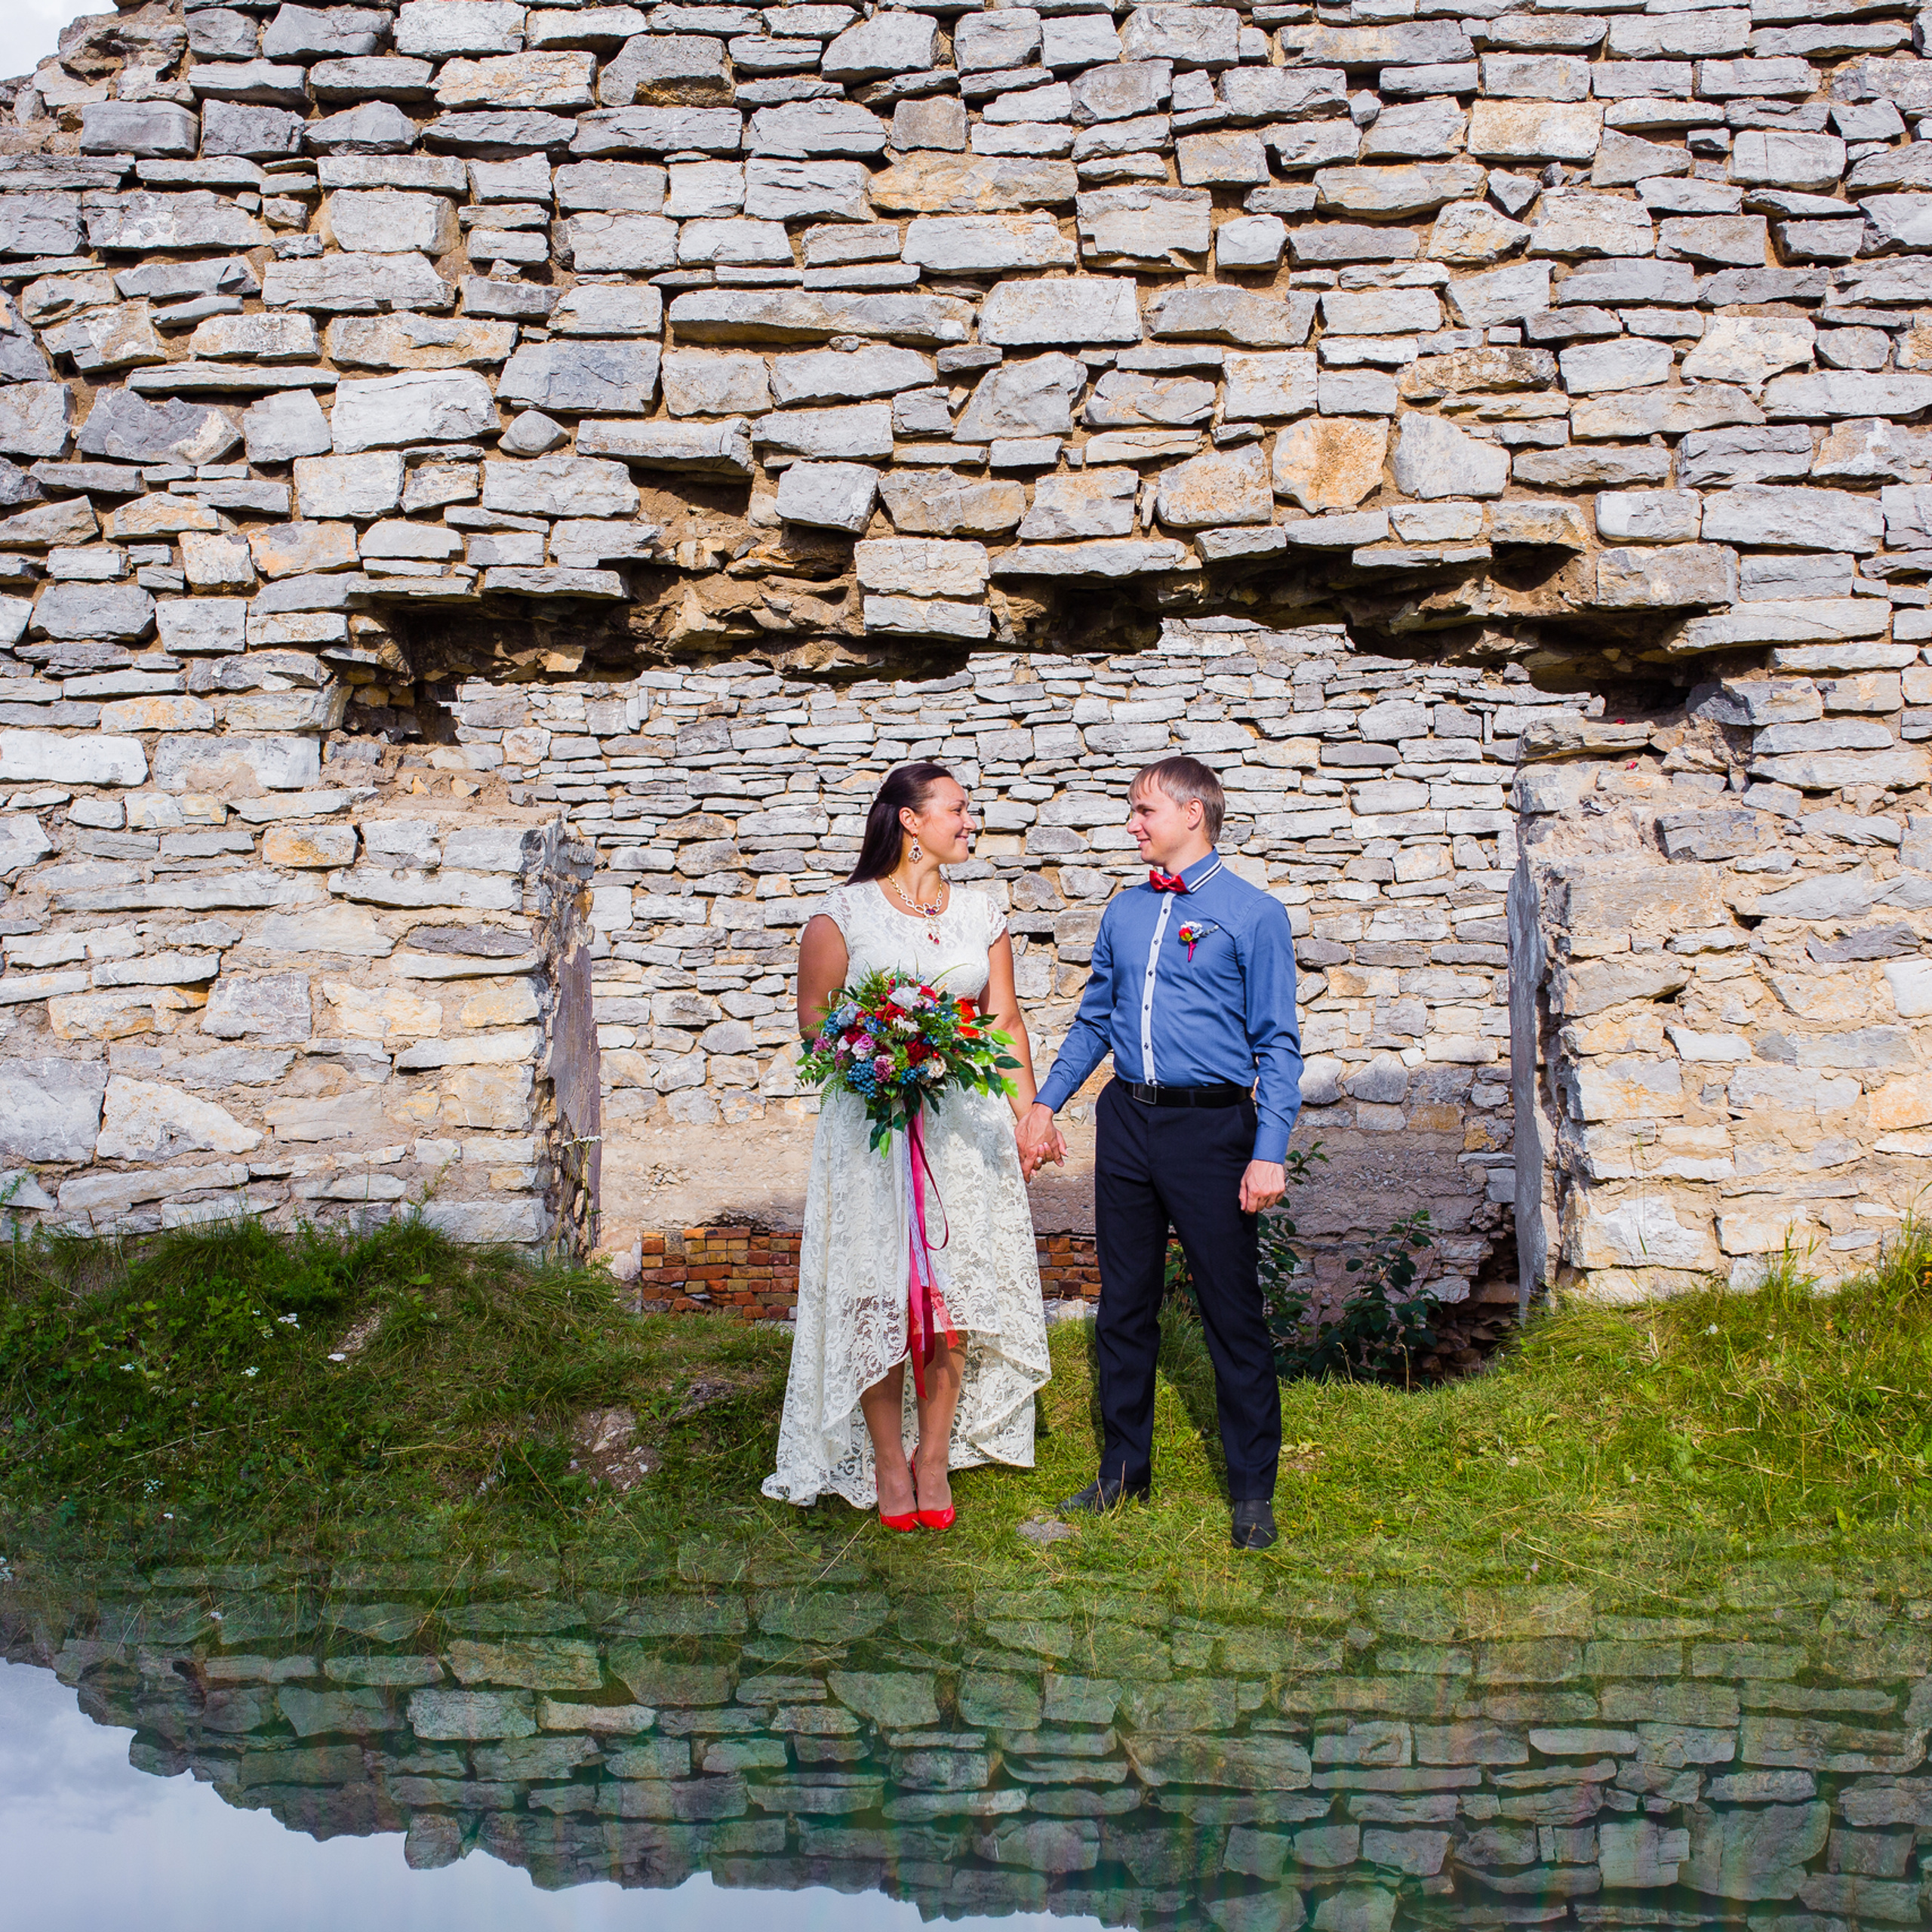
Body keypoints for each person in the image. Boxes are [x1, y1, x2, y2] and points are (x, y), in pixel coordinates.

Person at [764, 762, 1063, 1530]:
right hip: (874, 1127)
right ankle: (887, 1463)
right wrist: (882, 1055)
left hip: (963, 1126)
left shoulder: (982, 913)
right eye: (957, 809)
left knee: (953, 1289)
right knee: (875, 1290)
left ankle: (933, 1457)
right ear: (910, 820)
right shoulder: (843, 914)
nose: (970, 822)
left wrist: (1029, 1114)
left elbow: (1003, 1022)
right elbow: (815, 1022)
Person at [1017, 757, 1303, 1551]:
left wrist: (1269, 1150)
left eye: (1144, 810)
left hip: (1212, 1132)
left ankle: (1251, 1493)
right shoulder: (1125, 910)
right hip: (1127, 1123)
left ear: (1192, 813)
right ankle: (1122, 1473)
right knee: (1125, 1304)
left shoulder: (1253, 915)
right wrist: (1045, 1104)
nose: (1132, 823)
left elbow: (1278, 1045)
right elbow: (1094, 1021)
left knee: (1231, 1312)